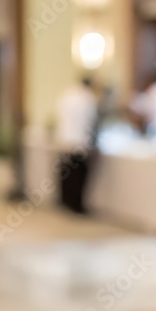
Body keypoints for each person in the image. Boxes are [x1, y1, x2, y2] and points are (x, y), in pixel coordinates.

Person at [54, 77, 98, 214]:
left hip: (64, 140)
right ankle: (75, 204)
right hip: (79, 142)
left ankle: (65, 200)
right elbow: (90, 122)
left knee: (66, 172)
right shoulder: (87, 98)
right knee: (77, 175)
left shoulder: (67, 95)